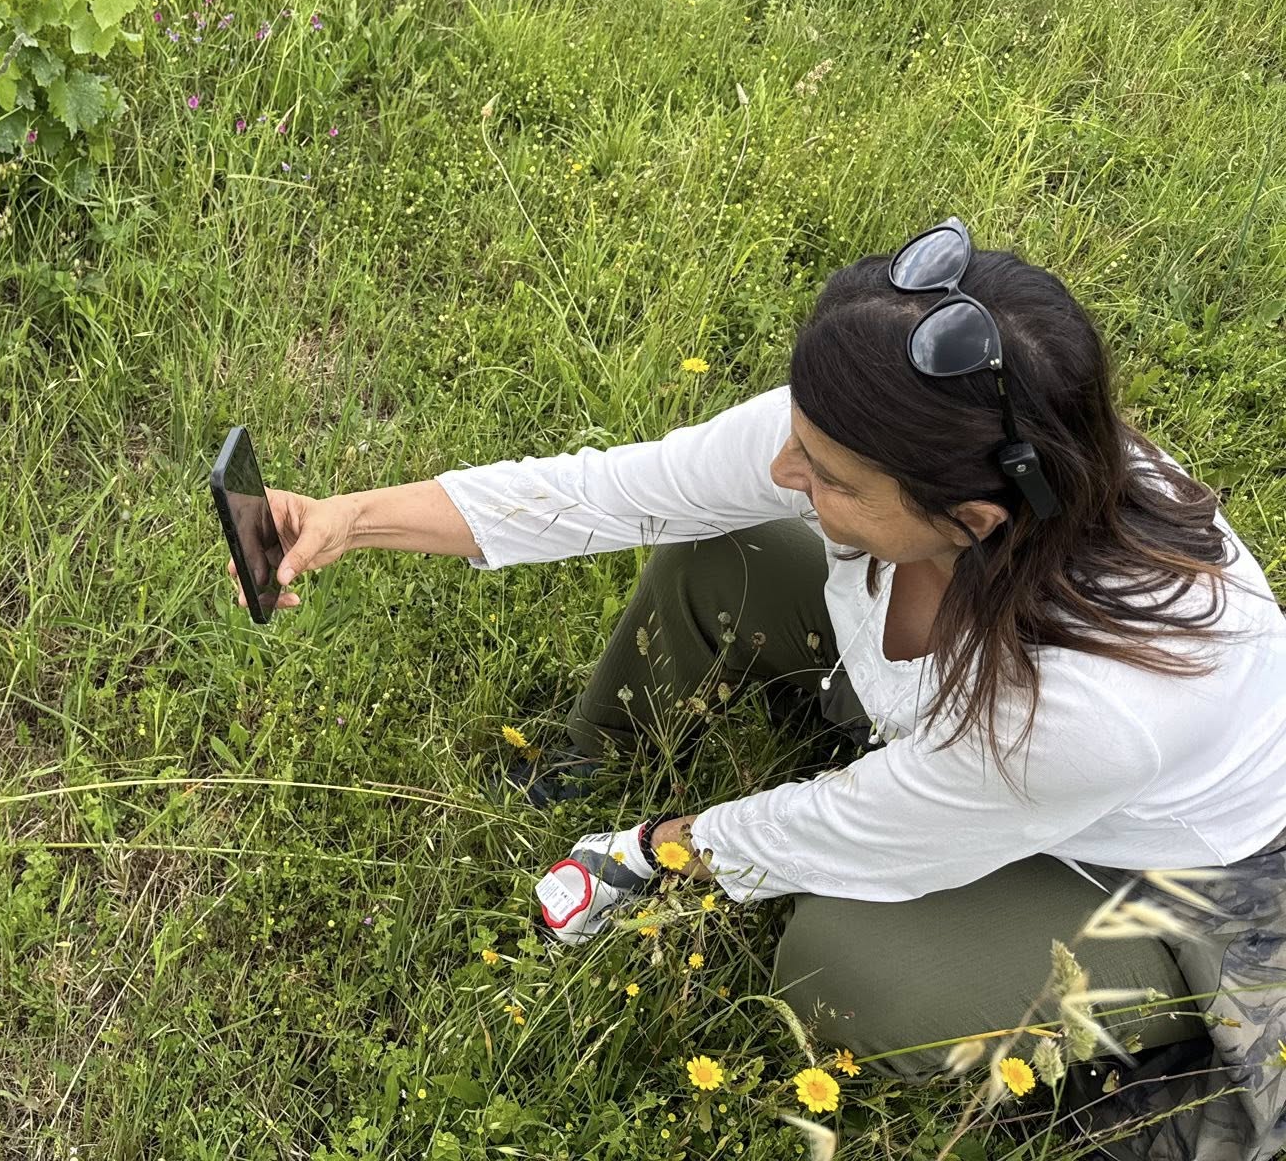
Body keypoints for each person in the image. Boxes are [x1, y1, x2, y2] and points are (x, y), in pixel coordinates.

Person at [227, 219, 1286, 1161]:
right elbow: (620, 490)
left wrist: (646, 854)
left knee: (846, 970)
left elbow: (855, 828)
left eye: (828, 479)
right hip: (977, 759)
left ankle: (1150, 1035)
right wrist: (353, 519)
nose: (785, 471)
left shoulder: (1095, 707)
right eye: (800, 443)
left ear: (971, 521)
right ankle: (582, 765)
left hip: (1163, 867)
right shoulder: (915, 434)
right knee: (720, 548)